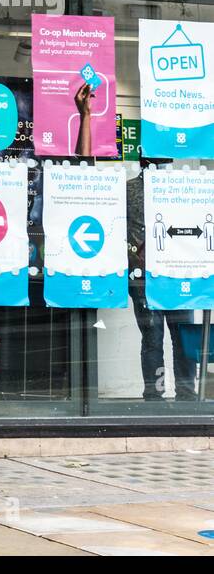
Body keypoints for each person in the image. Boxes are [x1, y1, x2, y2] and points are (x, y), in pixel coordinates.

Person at [126, 165, 197, 401]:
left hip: (174, 272)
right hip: (150, 275)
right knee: (157, 337)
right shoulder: (131, 189)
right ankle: (158, 394)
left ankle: (179, 393)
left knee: (176, 336)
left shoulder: (179, 187)